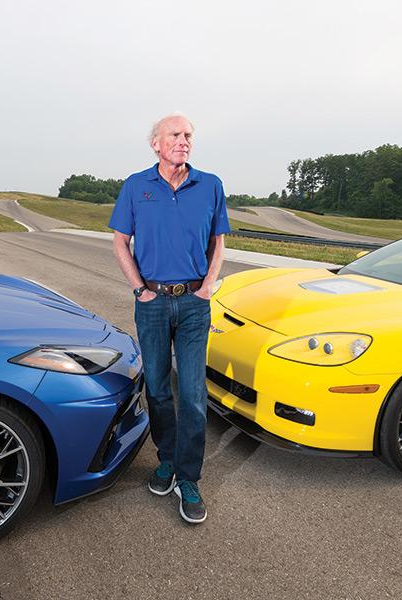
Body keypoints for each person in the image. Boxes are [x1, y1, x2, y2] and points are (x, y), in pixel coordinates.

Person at [108, 113, 229, 524]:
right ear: (156, 143)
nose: (184, 141)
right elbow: (120, 241)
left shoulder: (210, 185)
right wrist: (139, 288)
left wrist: (209, 283)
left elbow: (218, 241)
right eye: (175, 135)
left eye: (189, 135)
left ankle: (189, 478)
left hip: (195, 303)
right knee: (158, 389)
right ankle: (166, 460)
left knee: (193, 394)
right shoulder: (136, 186)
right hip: (153, 302)